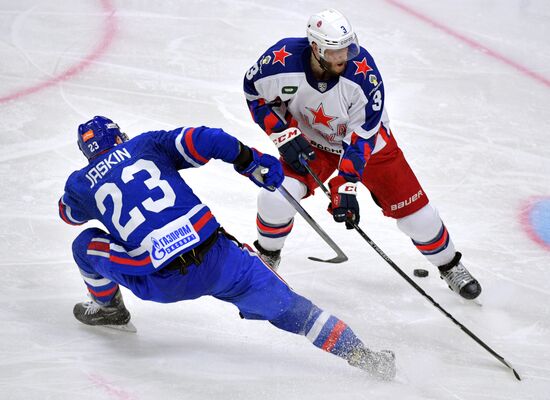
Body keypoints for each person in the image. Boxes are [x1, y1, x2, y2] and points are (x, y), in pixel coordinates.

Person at [58, 115, 396, 380]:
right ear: (121, 137)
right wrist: (251, 160)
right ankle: (363, 356)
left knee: (85, 244)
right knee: (296, 310)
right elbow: (209, 139)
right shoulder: (147, 145)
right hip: (219, 260)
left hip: (159, 280)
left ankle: (109, 309)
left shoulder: (79, 182)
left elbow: (68, 214)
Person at [243, 8, 481, 300]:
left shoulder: (363, 75)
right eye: (334, 52)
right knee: (274, 197)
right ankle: (267, 257)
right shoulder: (281, 60)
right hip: (311, 143)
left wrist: (346, 183)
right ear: (315, 47)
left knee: (419, 219)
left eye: (346, 48)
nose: (343, 57)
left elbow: (362, 139)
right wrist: (280, 134)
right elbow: (254, 93)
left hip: (370, 147)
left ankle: (450, 266)